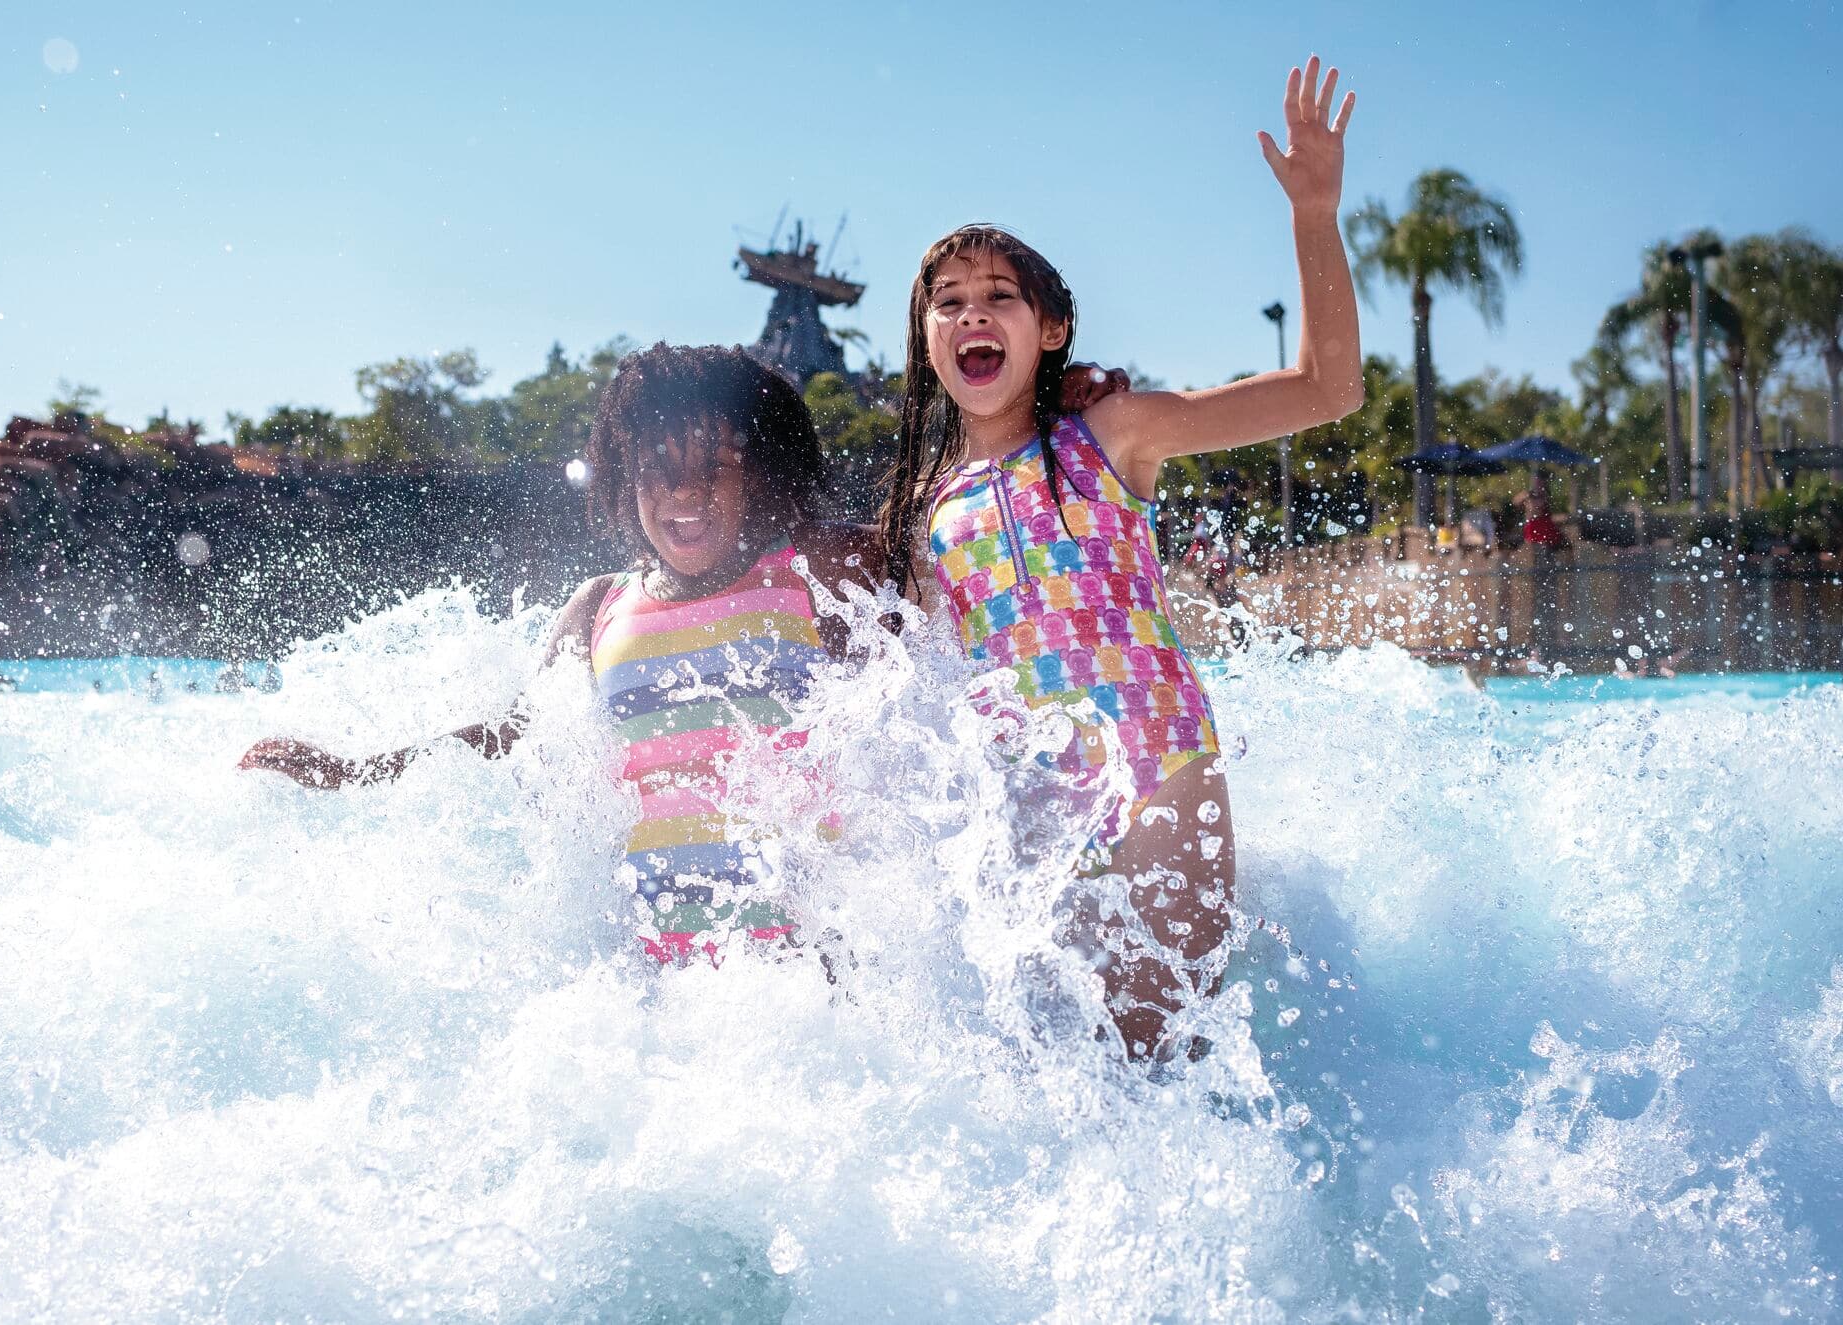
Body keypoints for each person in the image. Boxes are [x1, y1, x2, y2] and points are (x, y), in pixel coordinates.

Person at [877, 55, 1362, 1059]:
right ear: (925, 338)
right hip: (1029, 806)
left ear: (1049, 329)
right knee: (1063, 1077)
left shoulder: (1111, 435)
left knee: (1155, 1053)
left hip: (1155, 764)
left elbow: (1326, 388)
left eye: (1001, 295)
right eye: (950, 300)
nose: (973, 313)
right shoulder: (927, 516)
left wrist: (1312, 211)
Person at [242, 345, 888, 965]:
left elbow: (935, 553)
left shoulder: (813, 571)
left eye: (712, 468)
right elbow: (512, 736)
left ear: (757, 475)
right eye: (659, 470)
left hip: (809, 979)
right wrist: (354, 770)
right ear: (626, 477)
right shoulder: (600, 608)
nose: (684, 493)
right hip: (670, 991)